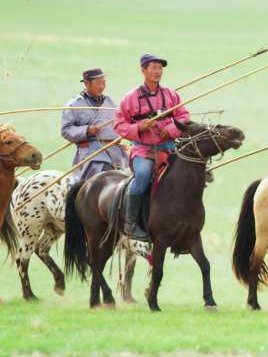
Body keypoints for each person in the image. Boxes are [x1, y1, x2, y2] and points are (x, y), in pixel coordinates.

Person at [114, 54, 190, 240]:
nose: (157, 71)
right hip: (143, 150)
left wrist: (171, 130)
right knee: (143, 175)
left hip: (169, 147)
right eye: (153, 67)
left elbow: (184, 116)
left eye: (160, 68)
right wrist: (139, 127)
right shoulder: (130, 98)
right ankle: (130, 224)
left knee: (191, 173)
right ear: (143, 70)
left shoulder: (171, 94)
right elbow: (119, 125)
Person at [61, 68, 126, 181]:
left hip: (114, 150)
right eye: (98, 83)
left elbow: (119, 123)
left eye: (103, 83)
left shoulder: (109, 102)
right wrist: (87, 130)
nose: (101, 86)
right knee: (101, 168)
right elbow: (66, 130)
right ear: (86, 83)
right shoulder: (75, 104)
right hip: (91, 152)